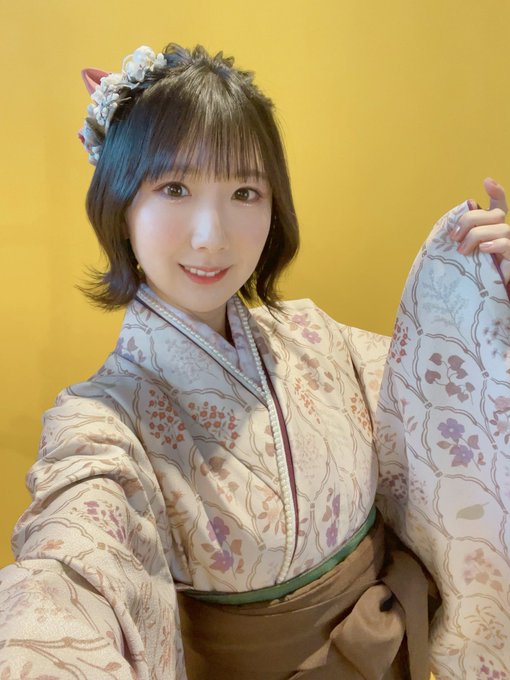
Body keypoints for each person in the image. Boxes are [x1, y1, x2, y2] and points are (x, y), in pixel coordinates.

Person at [0, 42, 508, 680]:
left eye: (245, 191)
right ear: (121, 205)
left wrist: (490, 307)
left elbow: (448, 406)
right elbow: (71, 565)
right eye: (175, 187)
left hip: (396, 651)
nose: (212, 235)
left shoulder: (316, 333)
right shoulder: (101, 421)